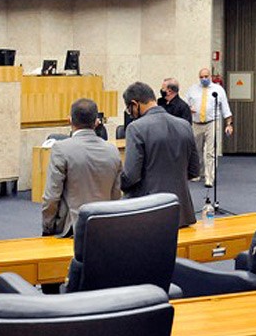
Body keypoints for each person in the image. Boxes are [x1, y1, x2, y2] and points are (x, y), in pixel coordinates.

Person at [120, 82, 199, 227]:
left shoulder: (136, 128)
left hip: (149, 212)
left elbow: (131, 176)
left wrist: (116, 181)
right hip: (181, 212)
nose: (130, 114)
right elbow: (194, 170)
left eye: (129, 109)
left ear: (134, 104)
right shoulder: (184, 125)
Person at [42, 99, 122, 238]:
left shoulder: (61, 149)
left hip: (71, 229)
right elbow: (116, 195)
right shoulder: (112, 150)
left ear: (70, 120)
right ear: (97, 122)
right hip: (105, 226)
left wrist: (47, 228)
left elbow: (52, 196)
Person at [185, 68, 233, 187]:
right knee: (196, 150)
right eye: (201, 77)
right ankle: (197, 173)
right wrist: (188, 109)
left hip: (212, 122)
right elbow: (185, 104)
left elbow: (225, 108)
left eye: (206, 76)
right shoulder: (192, 89)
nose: (204, 79)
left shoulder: (218, 90)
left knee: (210, 152)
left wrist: (229, 124)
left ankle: (209, 178)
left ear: (210, 76)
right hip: (196, 123)